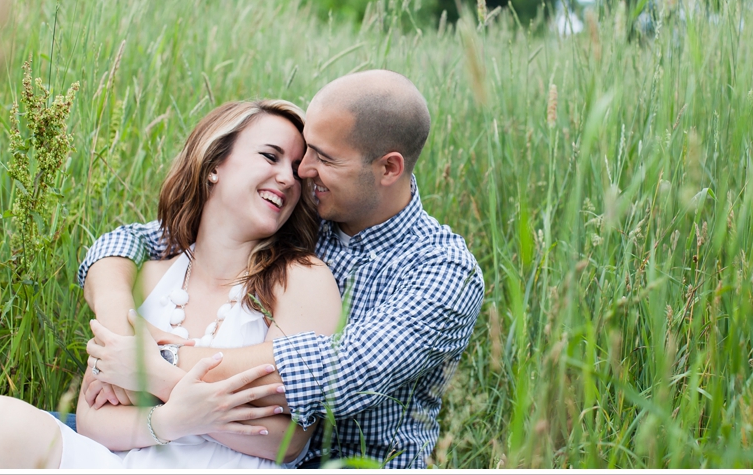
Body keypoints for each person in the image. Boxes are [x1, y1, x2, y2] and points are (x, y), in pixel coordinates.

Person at [77, 70, 485, 468]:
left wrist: (152, 362)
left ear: (388, 169)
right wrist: (117, 324)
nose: (302, 172)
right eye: (306, 151)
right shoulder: (306, 211)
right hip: (201, 444)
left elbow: (331, 376)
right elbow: (133, 240)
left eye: (323, 158)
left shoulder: (444, 272)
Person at [0, 99, 342, 469]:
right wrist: (170, 420)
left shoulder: (302, 278)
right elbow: (93, 418)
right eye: (270, 157)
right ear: (214, 165)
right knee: (0, 421)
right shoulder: (149, 278)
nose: (289, 178)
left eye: (295, 169)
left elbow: (289, 441)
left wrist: (160, 381)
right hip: (122, 461)